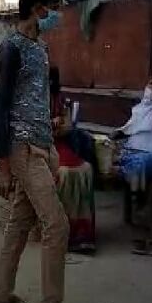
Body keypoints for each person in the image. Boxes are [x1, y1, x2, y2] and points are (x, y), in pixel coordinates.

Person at [0, 0, 76, 303]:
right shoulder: (9, 48)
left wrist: (54, 145)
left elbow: (40, 100)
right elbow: (0, 108)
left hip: (42, 145)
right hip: (22, 147)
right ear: (39, 7)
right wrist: (3, 166)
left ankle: (2, 292)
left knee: (20, 223)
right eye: (54, 7)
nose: (56, 14)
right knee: (56, 224)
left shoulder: (40, 48)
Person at [113, 70, 152, 257]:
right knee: (137, 169)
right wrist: (118, 133)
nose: (151, 88)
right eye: (150, 84)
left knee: (140, 165)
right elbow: (130, 127)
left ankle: (144, 219)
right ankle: (147, 229)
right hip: (135, 155)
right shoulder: (141, 108)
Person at [50, 67, 96, 254]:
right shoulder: (27, 99)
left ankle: (82, 234)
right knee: (65, 173)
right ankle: (63, 232)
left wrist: (59, 124)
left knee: (84, 169)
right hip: (37, 148)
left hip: (58, 144)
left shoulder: (59, 99)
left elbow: (67, 127)